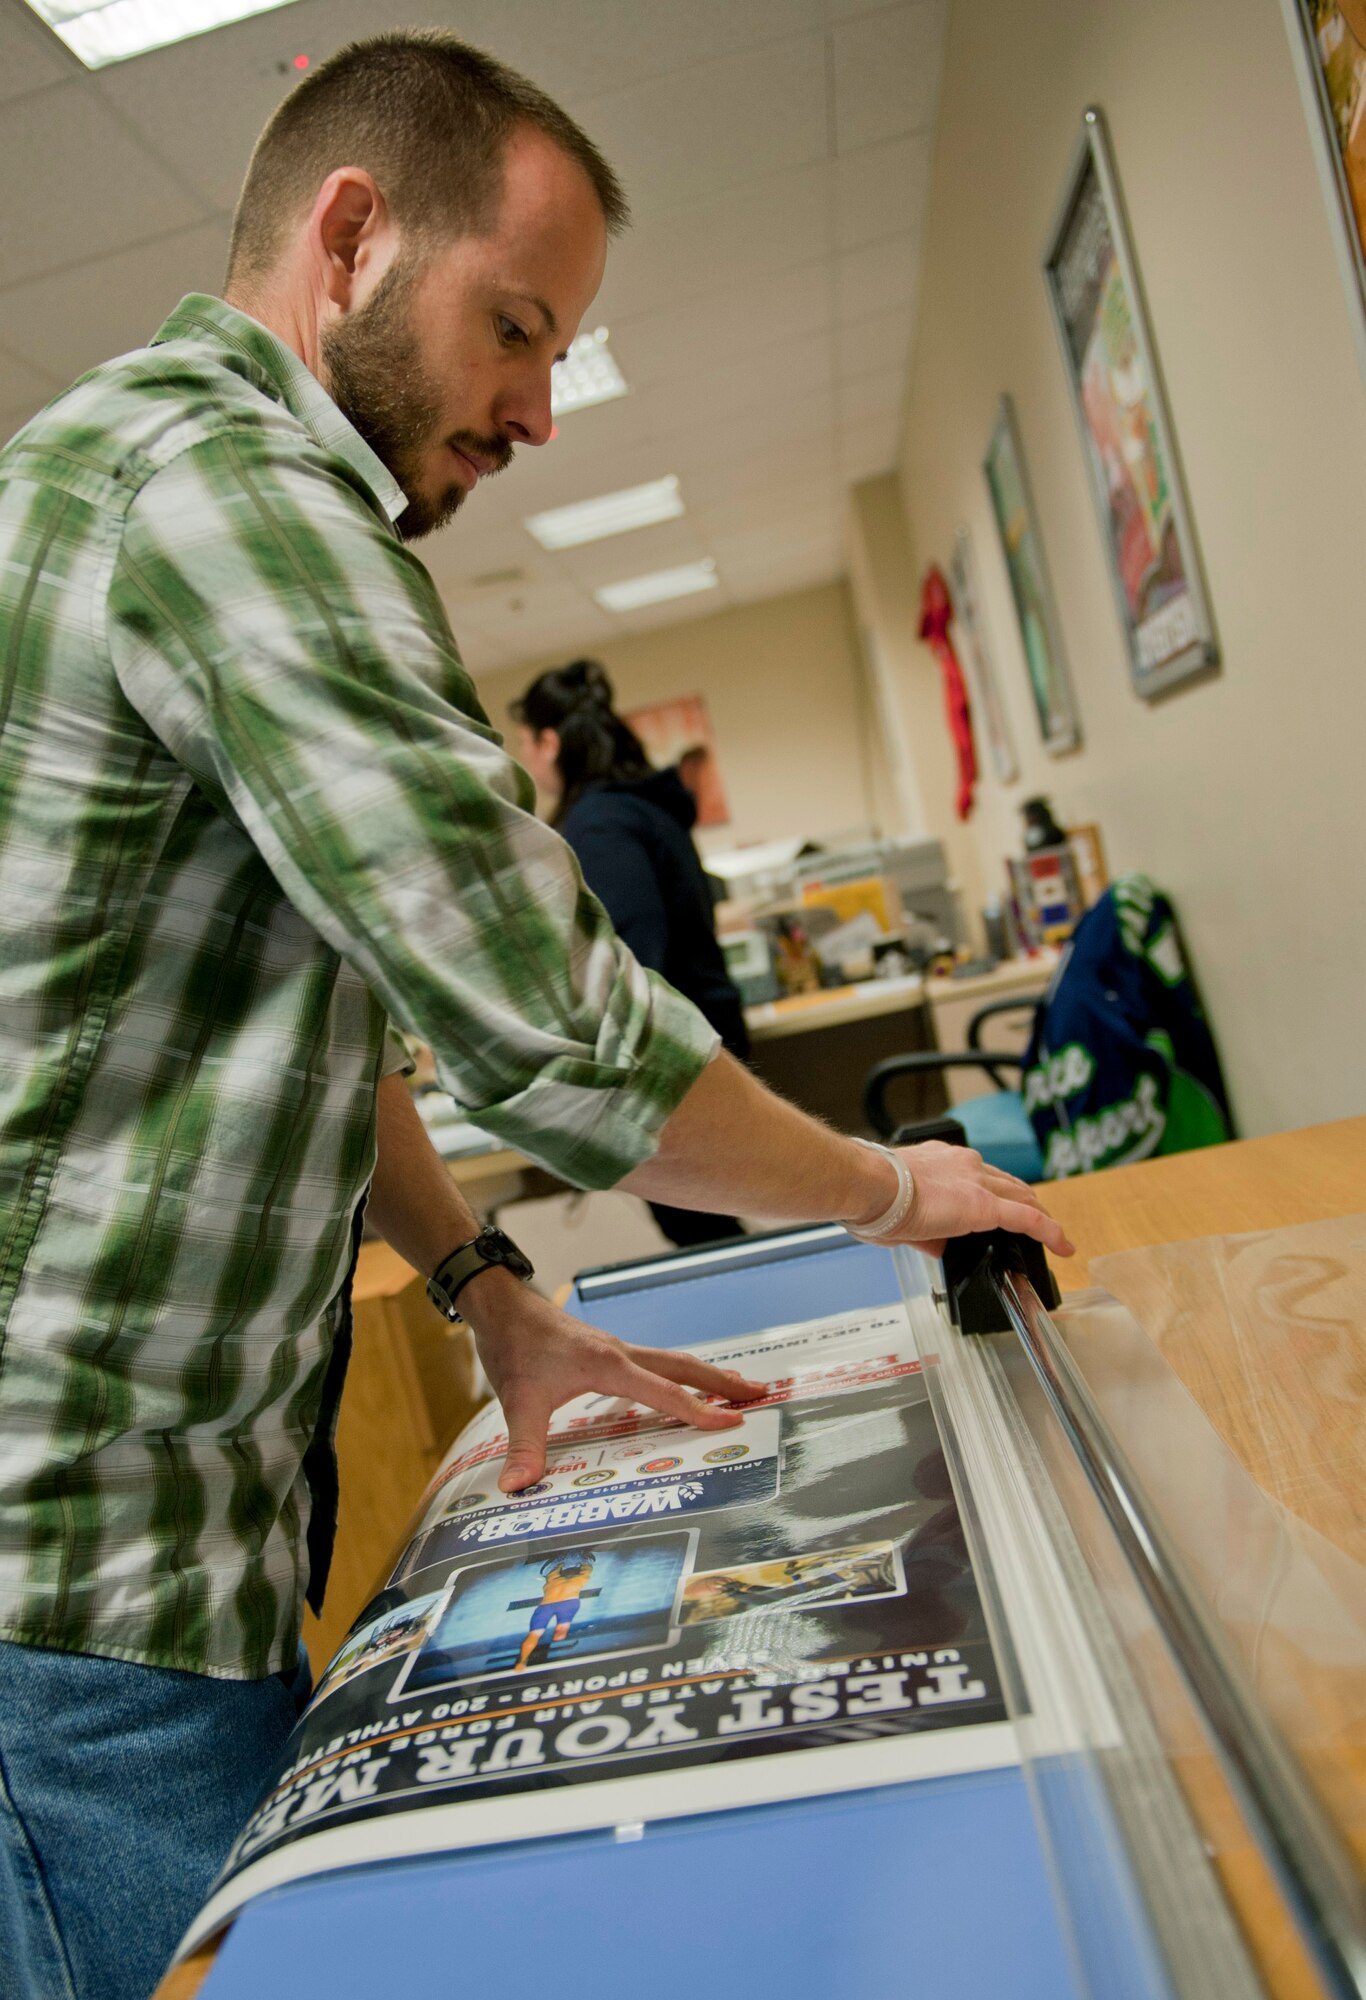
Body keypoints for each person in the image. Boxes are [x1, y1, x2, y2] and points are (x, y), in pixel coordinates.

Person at [0, 31, 1070, 1999]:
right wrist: (892, 1188)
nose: (540, 410)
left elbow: (307, 1010)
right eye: (514, 325)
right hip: (71, 1570)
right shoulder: (227, 491)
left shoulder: (138, 465)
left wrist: (491, 1290)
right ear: (348, 236)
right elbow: (562, 1044)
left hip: (159, 1542)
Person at [514, 659, 748, 1247]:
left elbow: (634, 955)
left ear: (550, 743)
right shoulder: (642, 805)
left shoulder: (599, 824)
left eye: (524, 744)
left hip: (676, 1060)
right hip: (706, 1035)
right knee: (708, 1222)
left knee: (701, 1229)